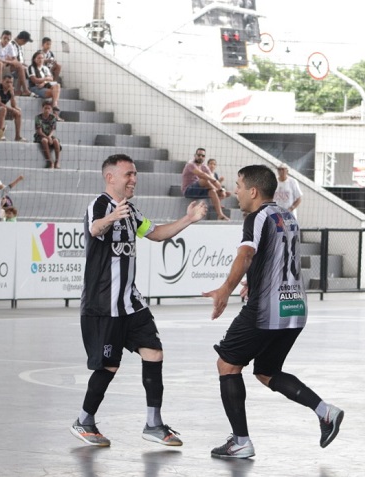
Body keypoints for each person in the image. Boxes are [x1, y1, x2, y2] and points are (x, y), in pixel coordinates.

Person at [202, 165, 344, 459]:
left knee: (227, 365)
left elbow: (247, 253)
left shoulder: (256, 217)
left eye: (240, 185)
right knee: (266, 372)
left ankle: (241, 442)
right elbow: (276, 258)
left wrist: (225, 290)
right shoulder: (288, 215)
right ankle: (325, 411)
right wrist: (251, 281)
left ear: (253, 191)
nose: (237, 191)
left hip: (266, 309)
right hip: (295, 307)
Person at [70, 154, 208, 448]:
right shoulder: (99, 205)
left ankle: (154, 424)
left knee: (154, 353)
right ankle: (84, 420)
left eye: (135, 174)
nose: (134, 179)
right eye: (128, 174)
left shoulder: (131, 211)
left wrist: (188, 219)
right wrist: (110, 218)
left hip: (131, 303)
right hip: (103, 304)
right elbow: (95, 229)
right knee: (108, 367)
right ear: (111, 177)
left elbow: (156, 234)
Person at [181, 147, 229, 220]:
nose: (200, 157)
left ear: (204, 157)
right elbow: (202, 175)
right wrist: (216, 185)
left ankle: (220, 214)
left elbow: (212, 177)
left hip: (199, 190)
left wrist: (222, 190)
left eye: (203, 156)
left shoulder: (204, 166)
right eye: (199, 155)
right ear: (195, 155)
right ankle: (217, 191)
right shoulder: (190, 164)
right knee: (204, 180)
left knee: (212, 191)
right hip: (188, 190)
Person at [0, 75, 25, 142]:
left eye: (11, 82)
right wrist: (12, 109)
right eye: (7, 82)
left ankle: (18, 136)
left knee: (18, 113)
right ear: (2, 81)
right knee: (3, 109)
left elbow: (13, 105)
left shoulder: (10, 90)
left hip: (0, 110)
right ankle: (0, 135)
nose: (9, 84)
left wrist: (12, 94)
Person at [34, 102, 61, 168]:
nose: (47, 110)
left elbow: (53, 129)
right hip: (41, 135)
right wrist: (47, 137)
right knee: (44, 141)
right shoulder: (38, 117)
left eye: (49, 108)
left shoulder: (53, 117)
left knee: (56, 141)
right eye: (45, 108)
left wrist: (49, 137)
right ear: (42, 108)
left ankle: (57, 161)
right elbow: (39, 131)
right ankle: (50, 161)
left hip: (49, 135)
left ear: (51, 109)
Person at [9, 31, 33, 96]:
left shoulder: (19, 46)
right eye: (25, 42)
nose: (25, 44)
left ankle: (33, 88)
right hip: (11, 66)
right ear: (22, 40)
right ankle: (22, 90)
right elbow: (14, 60)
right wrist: (22, 65)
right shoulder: (12, 45)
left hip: (18, 65)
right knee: (23, 69)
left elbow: (20, 61)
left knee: (31, 69)